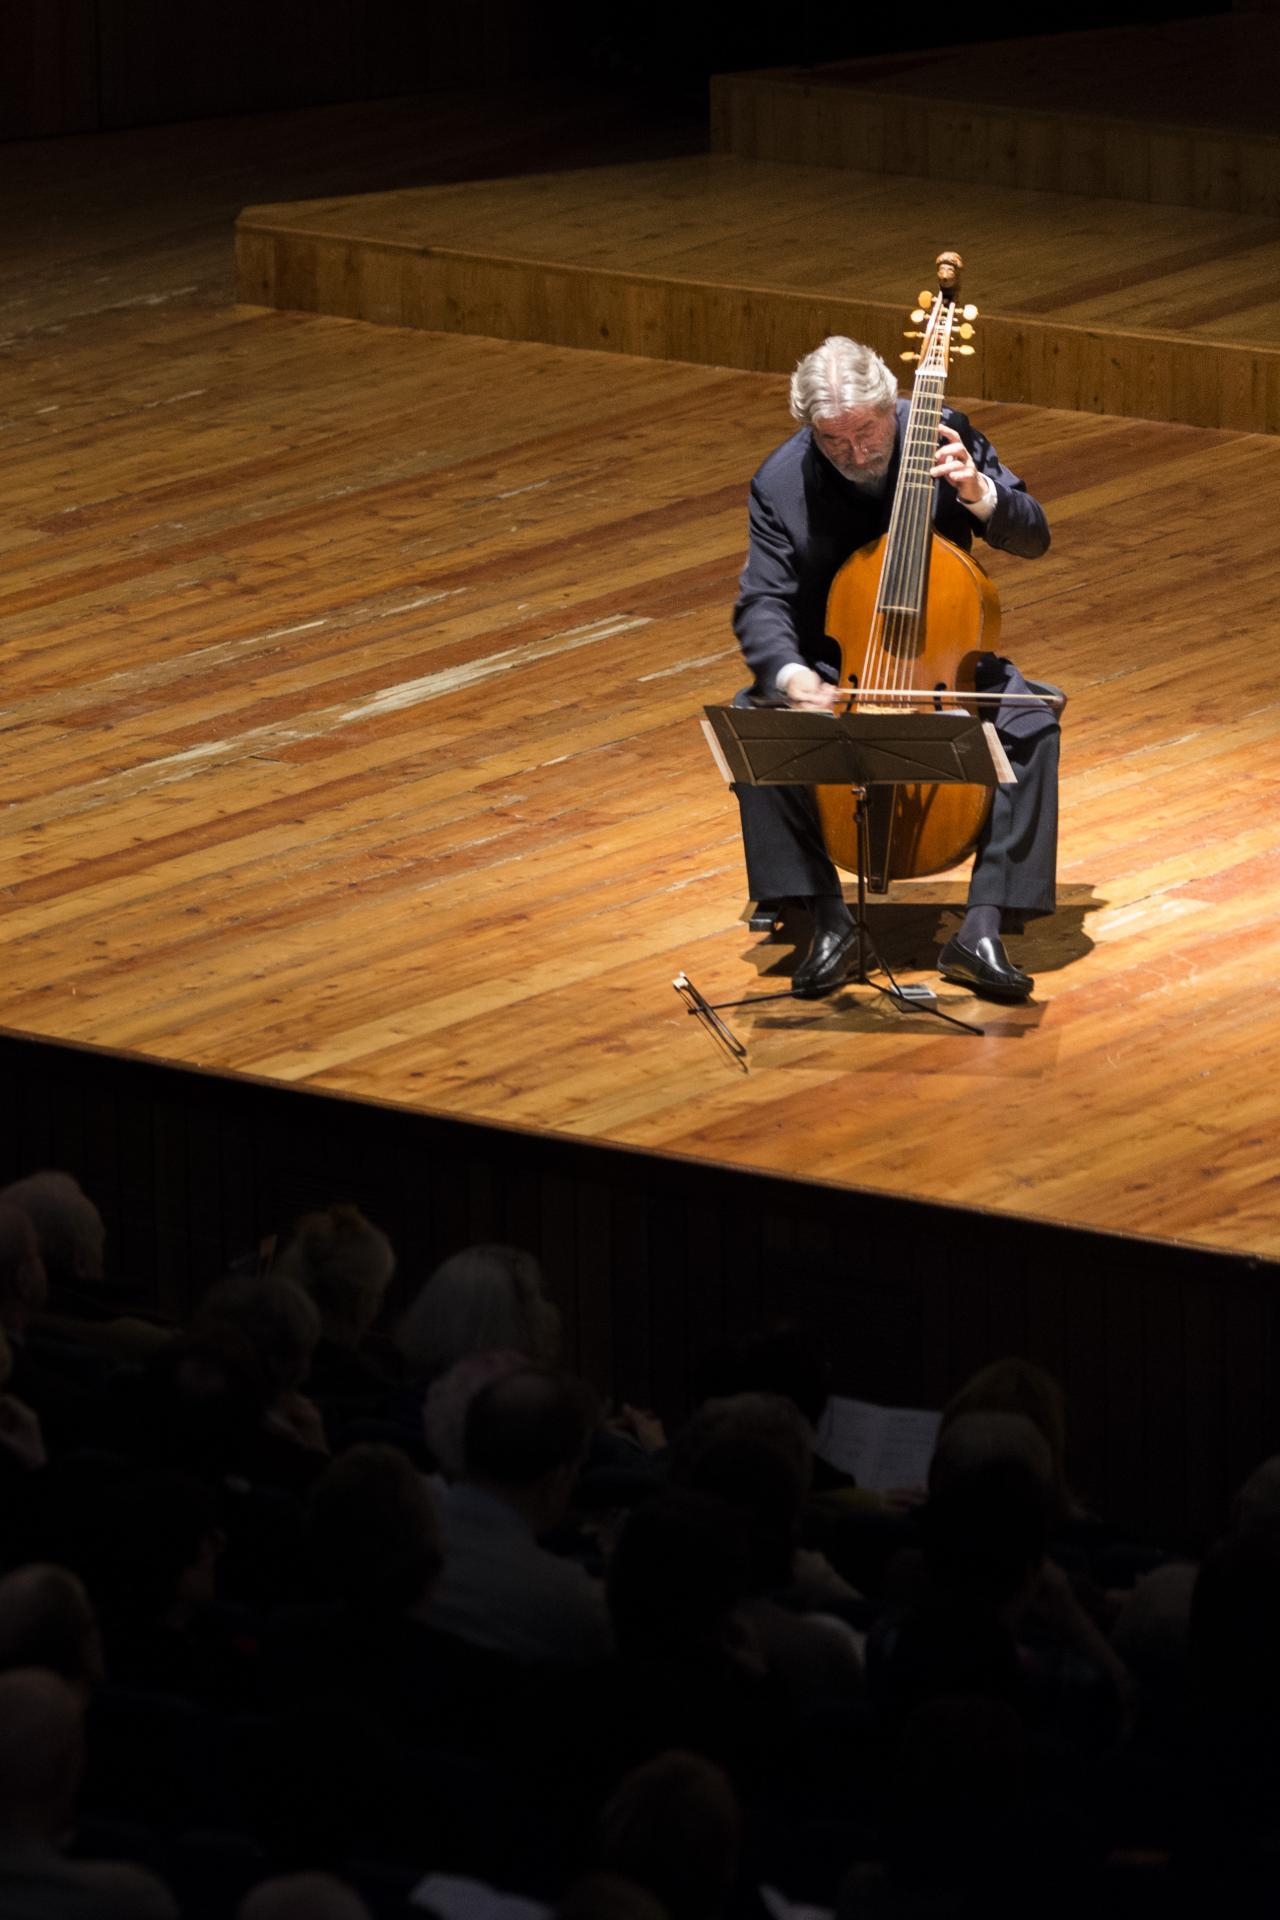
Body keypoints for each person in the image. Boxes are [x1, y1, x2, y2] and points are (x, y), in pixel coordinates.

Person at [731, 335, 1061, 1001]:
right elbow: (763, 600)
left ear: (891, 407)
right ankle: (827, 918)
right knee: (752, 725)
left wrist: (980, 492)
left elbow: (1033, 533)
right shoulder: (780, 482)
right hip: (837, 661)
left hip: (943, 655)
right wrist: (794, 678)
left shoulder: (943, 433)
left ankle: (983, 926)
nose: (857, 453)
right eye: (835, 441)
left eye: (869, 432)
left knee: (1032, 719)